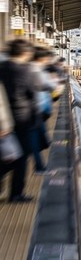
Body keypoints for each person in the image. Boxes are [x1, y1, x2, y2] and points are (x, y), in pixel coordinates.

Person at [0, 40, 45, 202]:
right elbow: (33, 92)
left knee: (6, 154)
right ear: (26, 53)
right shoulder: (26, 70)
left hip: (4, 119)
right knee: (20, 157)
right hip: (22, 119)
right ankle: (16, 193)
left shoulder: (2, 67)